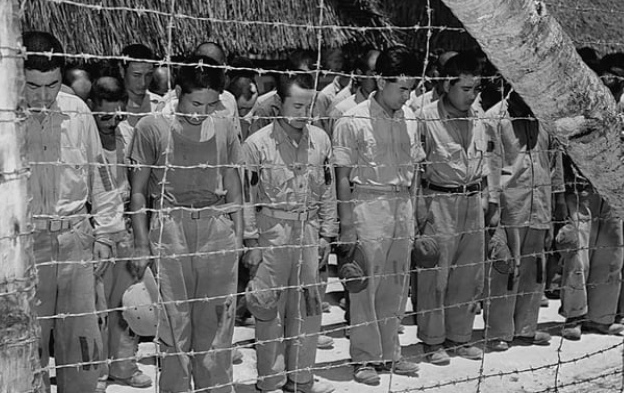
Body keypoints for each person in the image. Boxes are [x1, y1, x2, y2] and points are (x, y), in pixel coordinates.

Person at [128, 55, 243, 392]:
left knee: (217, 324)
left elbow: (234, 183)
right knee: (173, 325)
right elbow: (137, 193)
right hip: (170, 229)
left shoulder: (224, 127)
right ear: (177, 92)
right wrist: (141, 244)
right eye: (195, 103)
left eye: (210, 104)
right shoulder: (151, 128)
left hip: (215, 230)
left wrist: (238, 235)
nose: (201, 112)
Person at [22, 31, 125, 393]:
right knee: (28, 345)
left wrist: (107, 235)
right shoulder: (4, 116)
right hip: (26, 244)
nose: (43, 95)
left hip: (76, 239)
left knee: (82, 344)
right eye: (32, 86)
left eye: (51, 84)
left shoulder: (78, 111)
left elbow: (101, 176)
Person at [332, 46, 424, 384]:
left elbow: (417, 169)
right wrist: (345, 226)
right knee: (364, 286)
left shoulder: (412, 118)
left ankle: (390, 353)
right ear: (381, 80)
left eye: (411, 89)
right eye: (401, 88)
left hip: (403, 205)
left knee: (396, 284)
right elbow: (341, 177)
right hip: (367, 205)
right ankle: (365, 358)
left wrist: (415, 215)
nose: (407, 95)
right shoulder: (352, 119)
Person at [242, 72, 337, 393]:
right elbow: (247, 199)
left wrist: (327, 233)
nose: (303, 114)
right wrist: (251, 241)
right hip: (272, 232)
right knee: (268, 309)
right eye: (296, 106)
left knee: (309, 308)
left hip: (308, 232)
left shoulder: (320, 140)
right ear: (279, 103)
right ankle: (269, 382)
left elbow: (327, 189)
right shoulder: (257, 145)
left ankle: (301, 379)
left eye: (308, 106)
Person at [415, 53, 500, 364]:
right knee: (435, 276)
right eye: (465, 88)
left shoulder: (479, 117)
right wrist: (420, 216)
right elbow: (415, 171)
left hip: (472, 201)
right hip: (439, 202)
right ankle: (433, 340)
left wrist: (491, 199)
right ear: (446, 84)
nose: (472, 95)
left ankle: (460, 336)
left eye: (476, 89)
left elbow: (489, 162)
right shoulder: (425, 118)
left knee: (469, 274)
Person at [483, 90, 565, 351]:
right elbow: (490, 165)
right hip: (511, 204)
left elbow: (554, 162)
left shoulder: (544, 117)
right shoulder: (494, 118)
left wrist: (557, 201)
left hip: (539, 201)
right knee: (505, 267)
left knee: (535, 268)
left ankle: (526, 328)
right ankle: (498, 331)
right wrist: (493, 205)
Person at [87, 76, 152, 391]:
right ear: (91, 108)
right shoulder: (82, 138)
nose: (112, 122)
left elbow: (138, 186)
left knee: (129, 306)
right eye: (105, 116)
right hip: (93, 237)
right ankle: (96, 373)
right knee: (95, 310)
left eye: (117, 115)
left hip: (124, 234)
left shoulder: (128, 134)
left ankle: (125, 367)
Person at [557, 154, 624, 340]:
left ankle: (601, 317)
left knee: (611, 255)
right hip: (580, 188)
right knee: (579, 257)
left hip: (612, 188)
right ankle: (574, 316)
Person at [120, 44, 162, 127]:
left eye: (148, 75)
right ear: (122, 71)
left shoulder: (160, 104)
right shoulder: (111, 105)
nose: (143, 83)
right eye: (136, 75)